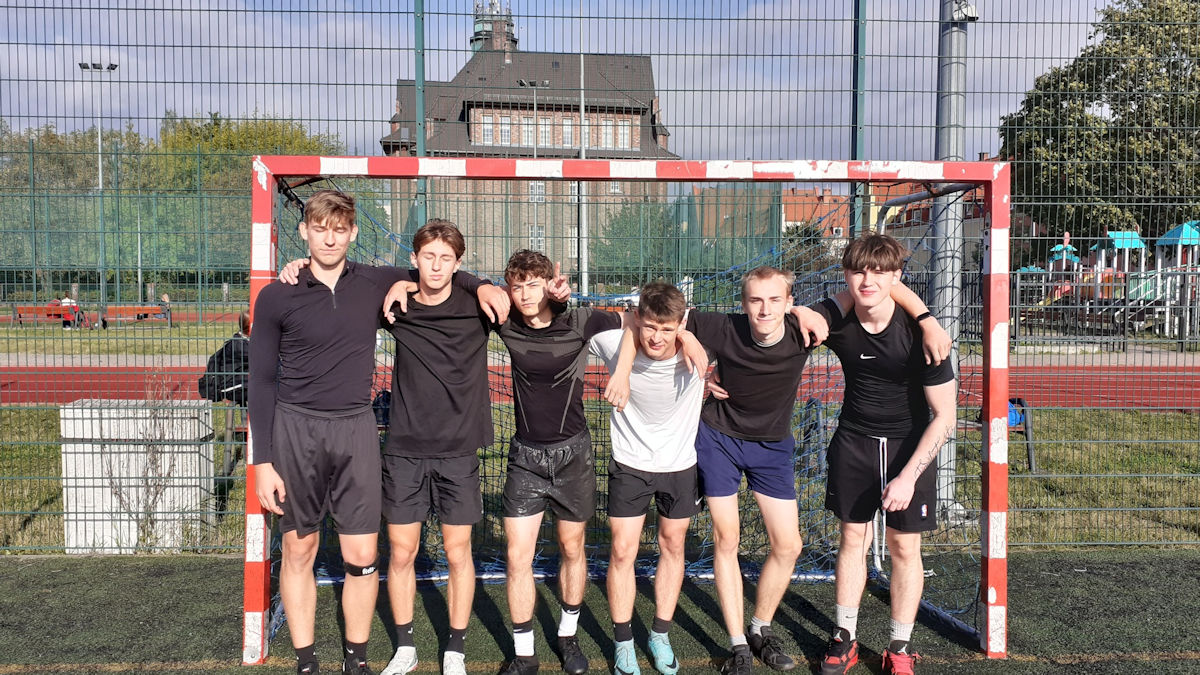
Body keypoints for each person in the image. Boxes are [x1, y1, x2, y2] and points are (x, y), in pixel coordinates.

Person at [254, 191, 507, 675]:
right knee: (299, 548)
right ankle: (307, 662)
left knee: (364, 554)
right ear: (304, 231)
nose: (329, 239)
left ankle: (357, 660)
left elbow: (436, 269)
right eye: (319, 229)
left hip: (356, 429)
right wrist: (262, 461)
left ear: (352, 233)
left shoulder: (374, 281)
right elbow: (263, 380)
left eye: (339, 229)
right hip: (296, 430)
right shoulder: (277, 295)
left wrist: (482, 285)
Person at [683, 267, 949, 675]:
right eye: (755, 300)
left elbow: (869, 289)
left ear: (790, 303)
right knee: (727, 538)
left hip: (773, 446)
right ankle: (739, 645)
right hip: (721, 438)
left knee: (789, 546)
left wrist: (927, 319)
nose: (764, 309)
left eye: (775, 299)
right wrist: (690, 346)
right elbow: (659, 317)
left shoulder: (804, 329)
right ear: (743, 303)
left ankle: (760, 629)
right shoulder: (724, 326)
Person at [810, 235, 956, 675]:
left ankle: (900, 647)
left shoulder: (922, 335)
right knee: (852, 539)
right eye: (858, 271)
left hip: (908, 447)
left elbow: (945, 417)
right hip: (854, 442)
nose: (867, 280)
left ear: (897, 276)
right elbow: (792, 321)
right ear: (846, 275)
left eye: (879, 272)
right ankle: (844, 637)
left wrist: (909, 476)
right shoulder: (838, 322)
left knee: (903, 546)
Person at [376, 220, 510, 675]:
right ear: (414, 259)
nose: (436, 266)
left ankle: (455, 649)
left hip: (458, 451)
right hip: (404, 450)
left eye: (446, 258)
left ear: (458, 263)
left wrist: (482, 283)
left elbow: (535, 308)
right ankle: (406, 647)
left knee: (458, 552)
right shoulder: (396, 305)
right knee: (401, 552)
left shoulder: (478, 307)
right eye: (428, 257)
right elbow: (350, 278)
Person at [589, 282, 706, 675]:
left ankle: (659, 635)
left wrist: (687, 337)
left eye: (668, 329)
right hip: (630, 463)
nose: (657, 337)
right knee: (623, 550)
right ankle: (623, 643)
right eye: (650, 326)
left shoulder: (698, 346)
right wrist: (623, 367)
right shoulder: (615, 344)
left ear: (682, 323)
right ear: (638, 318)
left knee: (673, 545)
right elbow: (588, 324)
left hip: (679, 465)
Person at [199, 310, 251, 406]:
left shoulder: (244, 341)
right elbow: (261, 357)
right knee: (266, 386)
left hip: (240, 381)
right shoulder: (238, 344)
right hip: (229, 386)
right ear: (249, 327)